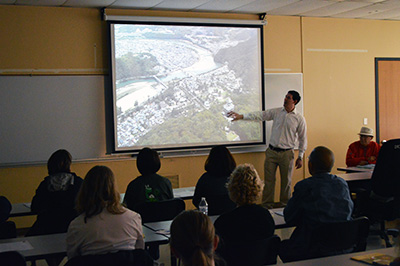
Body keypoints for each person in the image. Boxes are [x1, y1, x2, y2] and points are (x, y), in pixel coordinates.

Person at [227, 90, 307, 208]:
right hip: (272, 152)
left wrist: (300, 156)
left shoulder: (299, 119)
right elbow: (260, 115)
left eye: (288, 98)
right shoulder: (276, 112)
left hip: (287, 154)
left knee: (286, 183)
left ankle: (285, 206)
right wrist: (241, 116)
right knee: (268, 182)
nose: (285, 99)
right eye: (285, 96)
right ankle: (267, 206)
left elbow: (303, 138)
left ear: (294, 101)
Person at [279, 146, 354, 262]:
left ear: (311, 165)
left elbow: (289, 217)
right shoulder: (342, 184)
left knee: (282, 246)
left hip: (312, 249)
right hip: (342, 247)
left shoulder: (304, 187)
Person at [66, 165, 144, 260]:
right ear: (114, 188)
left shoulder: (77, 225)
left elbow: (72, 258)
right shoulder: (133, 218)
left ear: (85, 190)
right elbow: (140, 251)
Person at [27, 149, 83, 237]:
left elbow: (35, 207)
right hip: (72, 230)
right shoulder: (78, 183)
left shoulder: (45, 184)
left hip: (46, 229)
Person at [214, 164, 275, 244]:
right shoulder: (266, 217)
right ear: (258, 188)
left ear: (231, 188)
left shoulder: (223, 222)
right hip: (258, 256)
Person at [192, 146, 236, 212]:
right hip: (232, 218)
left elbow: (196, 200)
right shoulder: (236, 179)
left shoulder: (205, 179)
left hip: (209, 218)